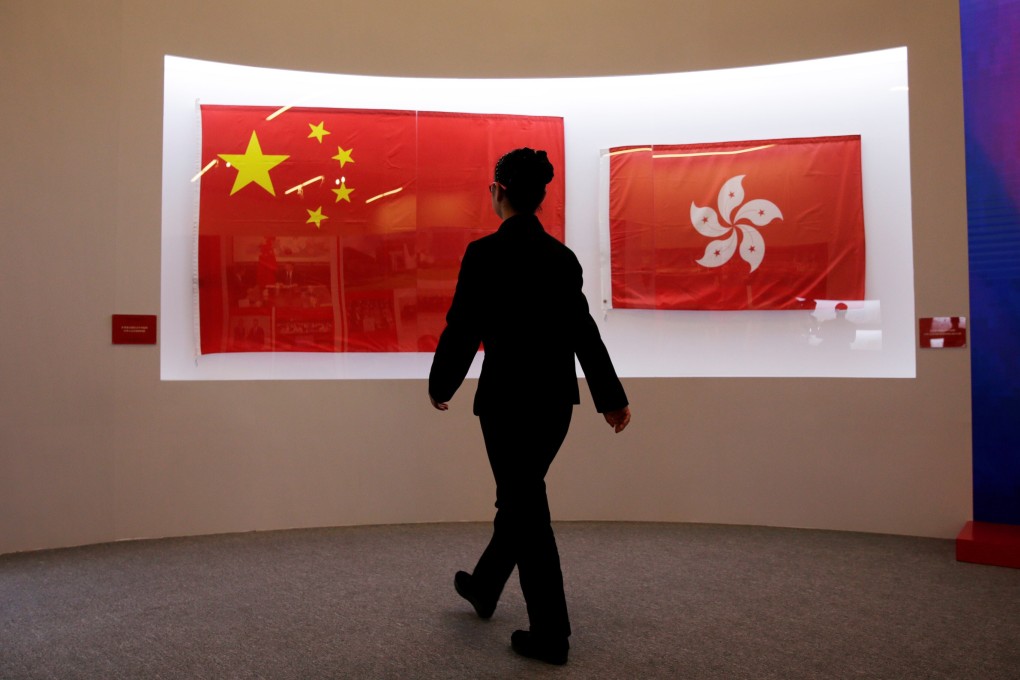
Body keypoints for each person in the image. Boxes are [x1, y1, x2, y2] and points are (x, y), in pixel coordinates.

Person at [428, 147, 631, 665]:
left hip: (504, 403)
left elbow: (463, 327)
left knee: (526, 508)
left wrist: (442, 384)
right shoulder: (562, 259)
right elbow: (583, 332)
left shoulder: (483, 255)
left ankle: (551, 633)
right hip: (554, 405)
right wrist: (610, 398)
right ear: (539, 198)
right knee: (519, 499)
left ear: (498, 193)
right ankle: (484, 585)